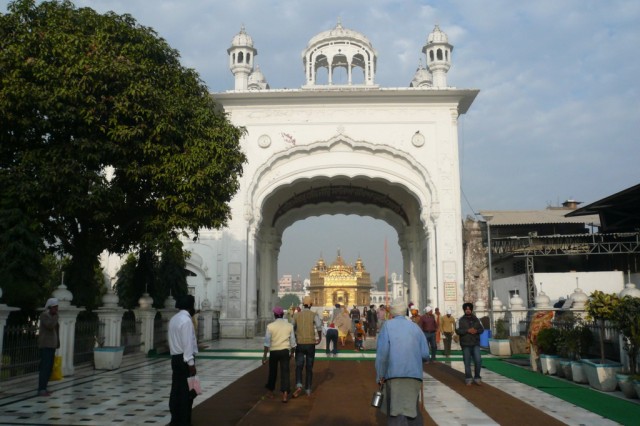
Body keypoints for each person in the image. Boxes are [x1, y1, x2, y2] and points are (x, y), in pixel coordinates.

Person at [375, 298, 430, 425]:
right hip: (414, 376)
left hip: (394, 375)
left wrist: (380, 375)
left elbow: (382, 355)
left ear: (392, 312)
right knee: (412, 410)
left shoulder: (387, 326)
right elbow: (425, 354)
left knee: (396, 412)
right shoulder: (415, 327)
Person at [168, 295, 198, 426]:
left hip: (175, 358)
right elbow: (187, 344)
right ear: (190, 306)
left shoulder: (174, 319)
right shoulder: (186, 321)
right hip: (185, 360)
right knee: (187, 392)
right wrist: (191, 364)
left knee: (176, 389)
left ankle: (175, 418)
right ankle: (184, 421)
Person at [262, 306, 296, 403]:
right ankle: (285, 394)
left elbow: (267, 343)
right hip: (284, 351)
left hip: (274, 351)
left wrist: (264, 356)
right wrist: (292, 353)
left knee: (273, 372)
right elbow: (293, 342)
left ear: (274, 315)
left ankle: (270, 391)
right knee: (285, 372)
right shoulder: (289, 326)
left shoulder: (270, 326)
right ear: (283, 314)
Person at [291, 295, 322, 397]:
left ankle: (299, 384)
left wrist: (294, 338)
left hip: (300, 343)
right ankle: (308, 388)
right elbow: (319, 326)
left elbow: (292, 327)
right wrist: (320, 338)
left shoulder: (296, 315)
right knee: (309, 367)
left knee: (299, 365)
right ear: (311, 305)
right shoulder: (314, 315)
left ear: (302, 304)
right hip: (310, 343)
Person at [456, 302, 484, 386]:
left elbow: (482, 329)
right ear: (464, 310)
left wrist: (476, 331)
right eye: (466, 309)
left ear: (471, 310)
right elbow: (457, 330)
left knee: (478, 361)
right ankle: (468, 378)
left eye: (469, 309)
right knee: (467, 362)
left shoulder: (477, 319)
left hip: (475, 343)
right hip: (465, 344)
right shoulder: (460, 320)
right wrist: (467, 330)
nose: (468, 310)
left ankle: (477, 377)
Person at [38, 297, 60, 396]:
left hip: (52, 346)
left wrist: (57, 343)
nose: (56, 309)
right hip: (45, 345)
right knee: (45, 368)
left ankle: (45, 387)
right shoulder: (44, 315)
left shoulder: (53, 316)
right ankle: (41, 389)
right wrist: (56, 317)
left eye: (57, 307)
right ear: (49, 307)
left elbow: (56, 330)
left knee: (49, 368)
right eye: (54, 307)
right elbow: (50, 326)